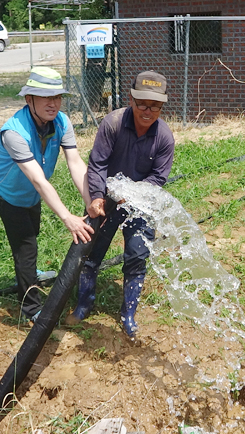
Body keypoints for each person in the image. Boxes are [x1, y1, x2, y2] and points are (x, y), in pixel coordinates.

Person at [64, 71, 175, 338]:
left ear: (162, 105)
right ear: (131, 99)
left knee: (137, 256)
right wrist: (97, 197)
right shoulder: (112, 124)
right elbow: (98, 164)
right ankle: (83, 304)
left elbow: (158, 177)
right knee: (91, 251)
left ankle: (128, 314)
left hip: (140, 203)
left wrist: (134, 194)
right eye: (142, 104)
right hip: (106, 199)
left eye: (155, 106)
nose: (148, 111)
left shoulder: (164, 138)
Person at [0, 66, 94, 320]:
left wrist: (91, 201)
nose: (53, 103)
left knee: (33, 231)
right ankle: (31, 309)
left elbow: (76, 163)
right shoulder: (14, 133)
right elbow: (38, 180)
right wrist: (68, 217)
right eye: (46, 97)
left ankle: (31, 276)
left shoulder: (62, 122)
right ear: (29, 99)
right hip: (7, 193)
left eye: (57, 97)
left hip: (32, 194)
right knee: (26, 247)